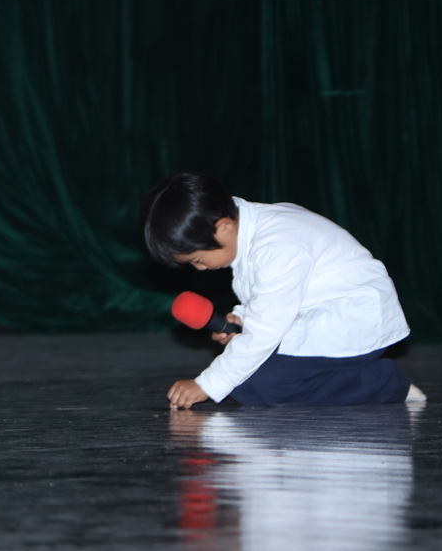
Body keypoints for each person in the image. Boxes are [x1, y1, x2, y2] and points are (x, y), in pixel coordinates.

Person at [143, 172, 426, 409]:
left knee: (264, 383)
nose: (200, 269)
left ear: (223, 226)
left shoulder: (276, 247)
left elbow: (265, 331)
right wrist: (242, 320)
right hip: (321, 317)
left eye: (197, 260)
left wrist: (205, 384)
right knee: (245, 385)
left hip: (356, 322)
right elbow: (269, 297)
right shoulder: (249, 226)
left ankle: (385, 382)